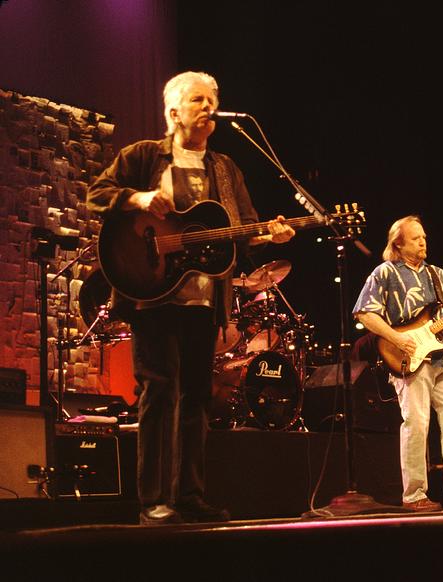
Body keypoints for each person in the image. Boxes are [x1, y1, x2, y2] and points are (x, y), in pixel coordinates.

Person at [87, 71, 295, 525]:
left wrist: (269, 236)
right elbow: (95, 194)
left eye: (211, 101)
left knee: (196, 396)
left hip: (203, 301)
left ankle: (188, 496)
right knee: (158, 391)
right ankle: (152, 501)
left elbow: (245, 231)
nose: (208, 108)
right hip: (152, 295)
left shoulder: (225, 168)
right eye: (197, 101)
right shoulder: (144, 156)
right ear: (174, 112)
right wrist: (138, 200)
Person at [352, 216, 443, 511]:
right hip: (409, 357)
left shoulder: (438, 275)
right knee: (417, 425)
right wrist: (395, 337)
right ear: (398, 244)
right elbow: (364, 313)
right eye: (416, 238)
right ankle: (414, 495)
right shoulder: (384, 273)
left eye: (424, 237)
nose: (423, 242)